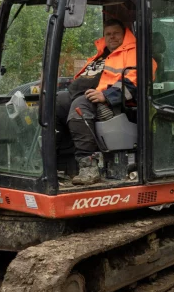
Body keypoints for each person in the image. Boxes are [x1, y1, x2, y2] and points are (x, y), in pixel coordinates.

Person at [56, 18, 138, 185]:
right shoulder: (101, 55)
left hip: (114, 103)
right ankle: (55, 162)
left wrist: (107, 96)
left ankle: (89, 167)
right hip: (84, 93)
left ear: (125, 35)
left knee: (79, 108)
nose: (111, 37)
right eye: (108, 34)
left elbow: (135, 82)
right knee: (54, 103)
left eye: (116, 33)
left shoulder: (134, 53)